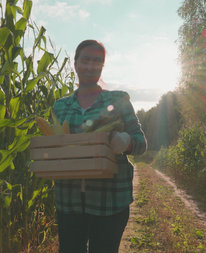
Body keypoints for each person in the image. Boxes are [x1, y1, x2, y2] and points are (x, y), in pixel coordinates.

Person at [52, 39, 147, 253]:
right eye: (85, 60)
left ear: (102, 66)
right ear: (75, 64)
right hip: (69, 201)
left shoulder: (118, 99)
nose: (91, 66)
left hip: (110, 199)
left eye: (97, 61)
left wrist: (126, 141)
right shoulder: (60, 106)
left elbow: (141, 143)